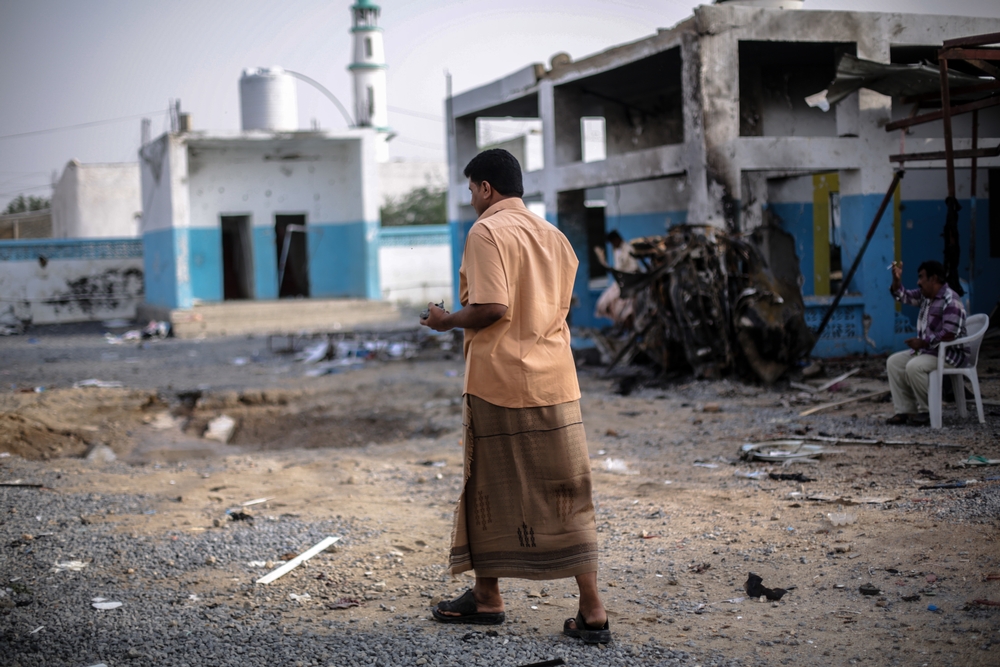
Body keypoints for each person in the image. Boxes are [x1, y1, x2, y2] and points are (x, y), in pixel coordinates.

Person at [420, 148, 610, 644]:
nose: (470, 200)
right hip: (557, 383)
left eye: (470, 190)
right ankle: (592, 610)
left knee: (488, 487)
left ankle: (487, 598)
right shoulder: (556, 237)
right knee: (568, 492)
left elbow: (492, 307)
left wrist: (445, 321)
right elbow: (558, 310)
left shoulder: (486, 231)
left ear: (486, 188)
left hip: (500, 382)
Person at [885, 260, 968, 425]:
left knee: (914, 366)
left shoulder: (950, 299)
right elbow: (902, 295)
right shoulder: (926, 297)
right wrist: (896, 280)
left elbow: (950, 333)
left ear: (934, 279)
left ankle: (928, 411)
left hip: (950, 354)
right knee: (893, 362)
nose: (918, 282)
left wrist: (923, 343)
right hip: (930, 352)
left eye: (921, 277)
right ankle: (905, 410)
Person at [594, 230, 639, 326]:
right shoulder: (616, 251)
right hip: (619, 283)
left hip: (628, 283)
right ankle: (619, 325)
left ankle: (626, 326)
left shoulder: (628, 249)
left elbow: (633, 268)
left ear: (617, 240)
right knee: (603, 304)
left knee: (625, 309)